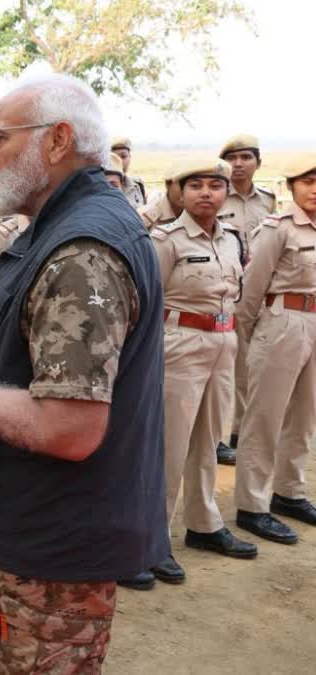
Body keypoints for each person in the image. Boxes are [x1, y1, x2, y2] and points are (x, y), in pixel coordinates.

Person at [0, 75, 167, 674]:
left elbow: (68, 427)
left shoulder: (82, 251)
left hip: (55, 549)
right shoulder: (54, 232)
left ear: (57, 140)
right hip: (33, 527)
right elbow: (22, 349)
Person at [137, 160, 259, 592]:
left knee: (210, 438)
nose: (206, 193)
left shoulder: (233, 239)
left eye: (215, 185)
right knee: (171, 444)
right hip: (180, 343)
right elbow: (146, 301)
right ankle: (153, 540)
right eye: (196, 186)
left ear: (227, 191)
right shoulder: (165, 239)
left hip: (223, 343)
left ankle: (204, 523)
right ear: (179, 191)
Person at [233, 156, 316, 546]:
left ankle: (290, 492)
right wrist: (249, 335)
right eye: (307, 181)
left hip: (313, 323)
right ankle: (252, 505)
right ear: (291, 186)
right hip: (281, 320)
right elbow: (251, 290)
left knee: (304, 414)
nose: (314, 188)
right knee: (265, 414)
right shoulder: (278, 228)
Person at [218, 134, 278, 466]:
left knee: (253, 366)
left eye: (245, 157)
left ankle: (240, 433)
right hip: (222, 293)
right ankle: (214, 439)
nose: (238, 164)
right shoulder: (214, 196)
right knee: (224, 368)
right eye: (232, 158)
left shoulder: (267, 201)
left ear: (258, 162)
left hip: (260, 295)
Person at [110, 136, 147, 207]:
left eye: (123, 156)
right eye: (114, 157)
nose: (120, 161)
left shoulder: (138, 184)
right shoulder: (101, 187)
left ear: (130, 157)